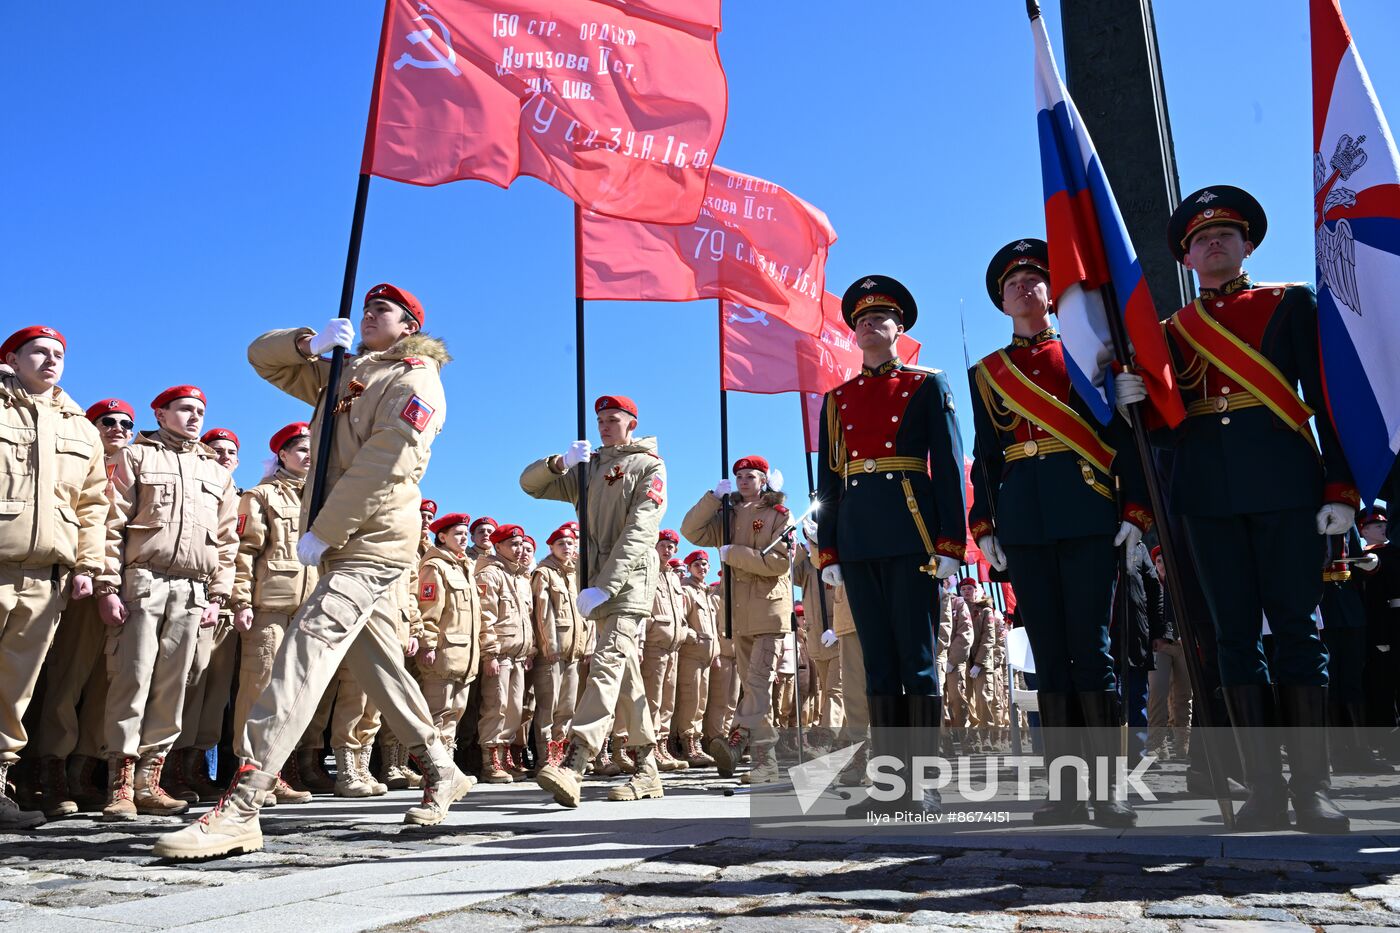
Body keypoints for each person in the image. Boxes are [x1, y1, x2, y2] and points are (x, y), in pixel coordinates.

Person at [154, 283, 472, 860]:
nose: (369, 314)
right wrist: (308, 342)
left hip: (371, 539)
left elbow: (388, 463)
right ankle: (441, 766)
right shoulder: (343, 375)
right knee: (376, 664)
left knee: (305, 649)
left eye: (384, 311)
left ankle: (244, 801)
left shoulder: (415, 378)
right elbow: (260, 358)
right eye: (367, 307)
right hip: (339, 542)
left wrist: (327, 528)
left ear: (409, 327)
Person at [1116, 186, 1358, 833]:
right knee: (1233, 642)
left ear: (1247, 244)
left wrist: (1340, 488)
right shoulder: (1173, 333)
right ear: (1188, 258)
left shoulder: (1290, 305)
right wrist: (1133, 400)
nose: (1213, 244)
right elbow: (1167, 436)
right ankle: (1264, 790)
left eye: (1225, 233)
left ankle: (1313, 788)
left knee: (1299, 634)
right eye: (1201, 239)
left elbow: (1328, 396)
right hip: (1208, 497)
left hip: (1285, 484)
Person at [969, 241, 1146, 827]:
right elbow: (987, 456)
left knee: (1092, 653)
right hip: (1025, 520)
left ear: (1052, 292)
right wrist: (984, 523)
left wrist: (1135, 510)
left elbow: (1126, 438)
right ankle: (1065, 791)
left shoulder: (1088, 350)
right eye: (1011, 283)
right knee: (1049, 657)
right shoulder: (988, 372)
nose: (1023, 288)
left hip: (1087, 508)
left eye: (1032, 279)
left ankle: (1110, 789)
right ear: (1001, 301)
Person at [816, 275, 966, 816]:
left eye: (881, 318)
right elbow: (828, 481)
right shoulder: (837, 399)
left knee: (917, 660)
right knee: (878, 663)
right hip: (858, 537)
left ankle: (921, 781)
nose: (870, 327)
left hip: (912, 532)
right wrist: (828, 550)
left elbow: (947, 466)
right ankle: (888, 782)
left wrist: (953, 539)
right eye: (861, 320)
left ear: (900, 328)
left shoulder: (927, 383)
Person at [96, 385, 239, 821]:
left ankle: (150, 780)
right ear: (160, 414)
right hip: (143, 579)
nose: (194, 417)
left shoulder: (217, 472)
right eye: (184, 409)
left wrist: (218, 594)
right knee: (131, 678)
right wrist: (107, 584)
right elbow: (110, 523)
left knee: (173, 686)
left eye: (199, 410)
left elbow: (229, 540)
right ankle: (119, 784)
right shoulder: (135, 458)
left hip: (194, 589)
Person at [522, 394, 666, 808]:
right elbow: (530, 486)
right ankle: (647, 769)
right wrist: (560, 463)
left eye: (613, 419)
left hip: (625, 585)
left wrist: (607, 583)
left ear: (632, 424)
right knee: (624, 675)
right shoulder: (590, 470)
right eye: (600, 419)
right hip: (596, 588)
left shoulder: (648, 466)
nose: (604, 426)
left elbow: (641, 531)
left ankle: (575, 761)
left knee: (605, 666)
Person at [0, 327, 108, 829]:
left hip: (46, 577)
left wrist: (88, 566)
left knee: (14, 691)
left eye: (59, 354)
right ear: (12, 358)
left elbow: (93, 506)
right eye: (39, 352)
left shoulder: (81, 429)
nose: (50, 360)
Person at [31, 397, 132, 818]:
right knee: (65, 679)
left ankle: (85, 769)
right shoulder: (71, 459)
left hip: (126, 588)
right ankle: (48, 770)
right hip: (81, 583)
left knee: (106, 686)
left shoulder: (136, 466)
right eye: (107, 421)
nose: (118, 429)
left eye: (126, 423)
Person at [682, 455, 795, 785]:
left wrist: (737, 556)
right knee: (754, 691)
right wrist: (712, 499)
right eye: (740, 476)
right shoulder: (727, 516)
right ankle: (766, 763)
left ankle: (737, 738)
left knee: (757, 684)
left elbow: (779, 563)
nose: (744, 481)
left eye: (751, 476)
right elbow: (690, 530)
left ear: (763, 481)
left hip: (769, 612)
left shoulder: (778, 515)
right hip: (738, 615)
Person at [227, 423, 318, 806]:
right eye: (300, 449)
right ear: (281, 454)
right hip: (269, 606)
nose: (308, 455)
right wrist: (241, 600)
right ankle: (250, 772)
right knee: (259, 688)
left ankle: (276, 771)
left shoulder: (322, 499)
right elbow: (244, 552)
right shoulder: (260, 495)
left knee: (292, 693)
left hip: (308, 608)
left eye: (312, 449)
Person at [165, 426, 245, 805]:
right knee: (185, 687)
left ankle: (195, 767)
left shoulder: (239, 498)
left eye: (230, 452)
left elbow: (236, 554)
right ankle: (172, 769)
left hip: (225, 605)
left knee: (213, 697)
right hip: (191, 594)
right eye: (216, 450)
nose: (224, 456)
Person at [417, 512, 483, 771]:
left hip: (464, 655)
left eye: (465, 534)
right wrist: (428, 643)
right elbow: (429, 610)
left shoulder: (464, 567)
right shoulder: (435, 567)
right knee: (438, 714)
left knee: (455, 713)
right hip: (443, 653)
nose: (464, 538)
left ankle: (447, 767)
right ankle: (434, 771)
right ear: (442, 537)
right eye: (458, 534)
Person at [475, 523, 535, 782]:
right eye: (513, 544)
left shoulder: (520, 578)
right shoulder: (490, 574)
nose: (518, 548)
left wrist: (530, 649)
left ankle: (505, 755)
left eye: (521, 544)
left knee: (514, 709)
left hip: (518, 655)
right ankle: (491, 761)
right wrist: (489, 653)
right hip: (498, 655)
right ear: (498, 546)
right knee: (495, 706)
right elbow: (485, 617)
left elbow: (528, 619)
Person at [530, 522, 586, 769]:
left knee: (567, 706)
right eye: (561, 544)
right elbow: (544, 614)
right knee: (548, 706)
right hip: (552, 651)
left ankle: (559, 750)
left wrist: (583, 645)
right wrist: (549, 645)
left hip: (573, 650)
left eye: (570, 543)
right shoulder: (544, 573)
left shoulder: (574, 574)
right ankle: (545, 755)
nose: (566, 547)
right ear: (551, 547)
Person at [643, 529, 693, 772]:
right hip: (654, 645)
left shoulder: (674, 577)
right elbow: (643, 611)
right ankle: (649, 747)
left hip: (674, 647)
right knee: (652, 699)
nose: (667, 550)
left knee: (667, 701)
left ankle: (662, 745)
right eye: (662, 545)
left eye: (671, 547)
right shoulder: (647, 573)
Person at [1147, 546, 1193, 761]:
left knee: (1184, 695)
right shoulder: (1153, 584)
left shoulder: (1183, 584)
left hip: (1184, 644)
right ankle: (1157, 744)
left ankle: (1183, 742)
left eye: (1165, 560)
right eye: (1158, 561)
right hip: (1160, 645)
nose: (1162, 565)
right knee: (1158, 693)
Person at [674, 550, 718, 767]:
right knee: (690, 700)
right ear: (689, 568)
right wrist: (695, 638)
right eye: (697, 565)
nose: (702, 568)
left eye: (704, 565)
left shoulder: (706, 593)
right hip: (691, 654)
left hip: (706, 657)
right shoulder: (686, 590)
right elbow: (681, 621)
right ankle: (688, 744)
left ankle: (696, 743)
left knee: (701, 701)